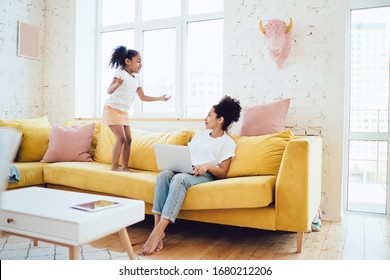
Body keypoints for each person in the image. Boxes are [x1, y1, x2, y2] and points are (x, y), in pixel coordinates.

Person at [139, 95, 242, 256]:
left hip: (205, 175)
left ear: (220, 119)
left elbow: (223, 173)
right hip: (187, 169)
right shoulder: (199, 136)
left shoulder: (227, 143)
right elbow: (187, 155)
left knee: (179, 179)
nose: (205, 118)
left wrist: (207, 166)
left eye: (209, 115)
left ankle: (158, 231)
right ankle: (157, 230)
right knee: (164, 175)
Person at [102, 46, 170, 171]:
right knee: (121, 138)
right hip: (111, 109)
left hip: (123, 112)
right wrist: (117, 84)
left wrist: (160, 98)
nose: (140, 64)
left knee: (129, 139)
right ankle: (114, 166)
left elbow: (143, 97)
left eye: (141, 62)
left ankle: (124, 167)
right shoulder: (120, 74)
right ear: (128, 61)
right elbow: (109, 90)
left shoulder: (136, 80)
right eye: (138, 61)